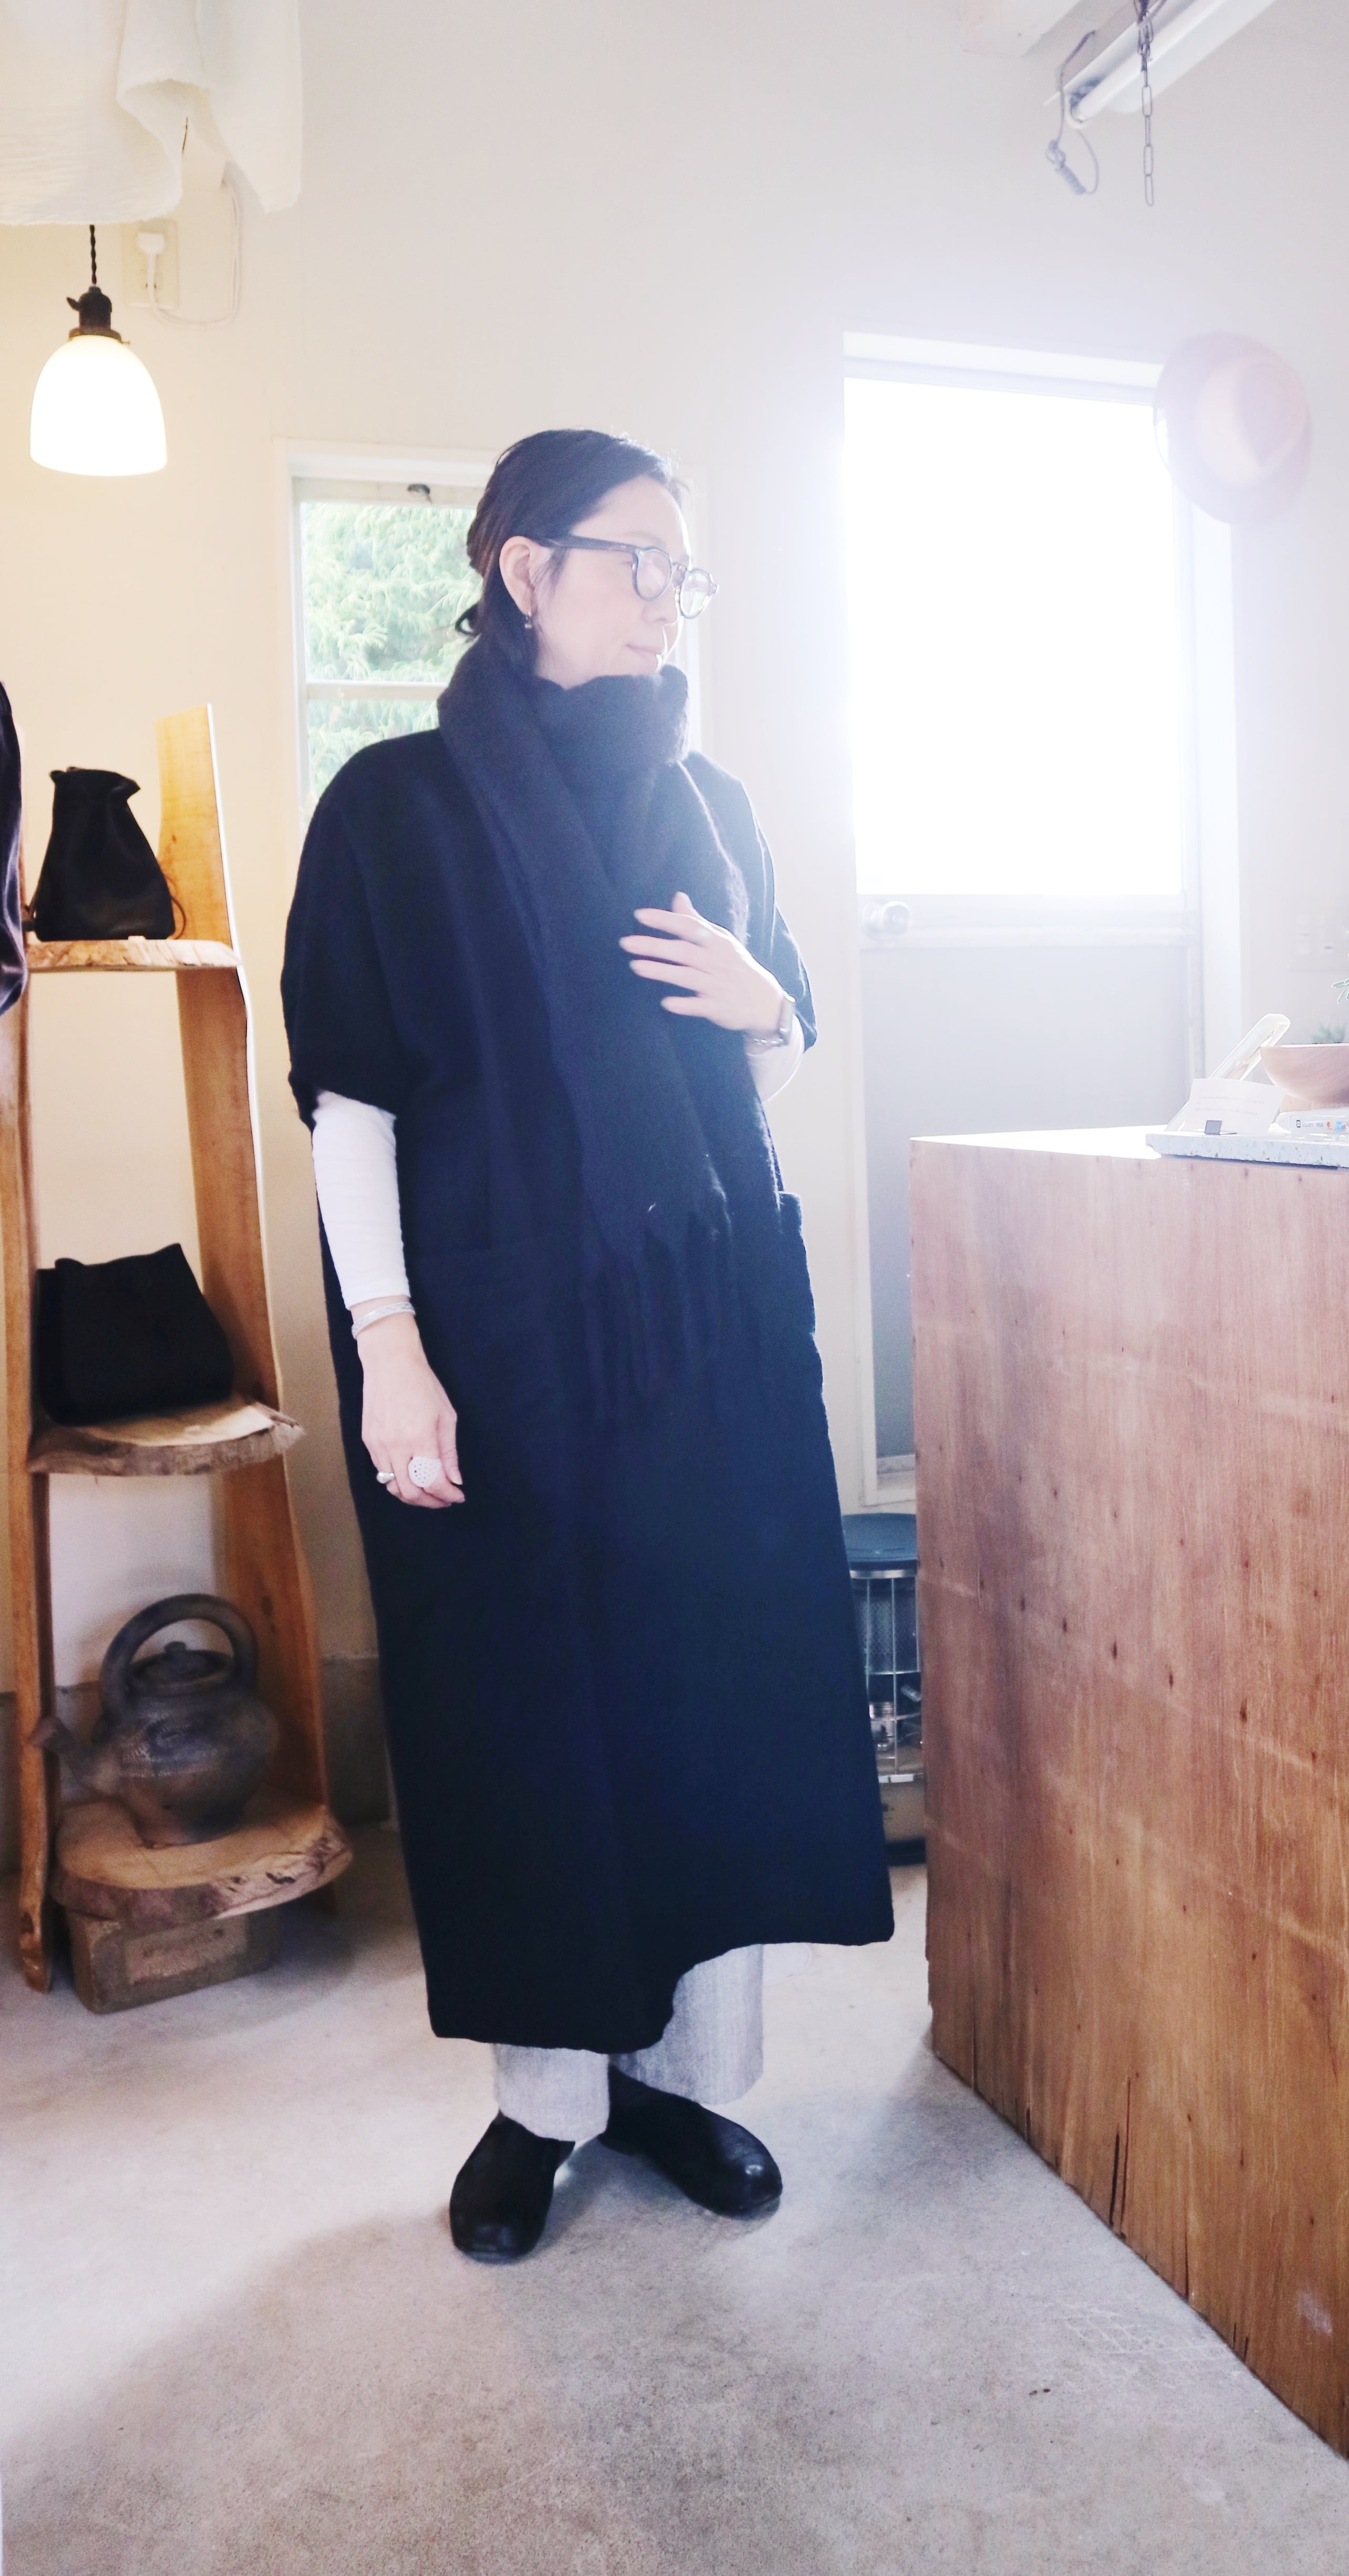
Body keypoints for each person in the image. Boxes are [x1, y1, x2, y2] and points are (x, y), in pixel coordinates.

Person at [282, 428, 894, 2260]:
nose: (667, 599)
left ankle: (686, 2082)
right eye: (640, 559)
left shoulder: (708, 801)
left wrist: (772, 1006)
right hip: (503, 1345)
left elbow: (758, 1072)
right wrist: (391, 1346)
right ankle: (544, 2106)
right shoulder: (393, 808)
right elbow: (351, 1101)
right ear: (525, 568)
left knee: (702, 1698)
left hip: (704, 1334)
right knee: (527, 1719)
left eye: (683, 571)